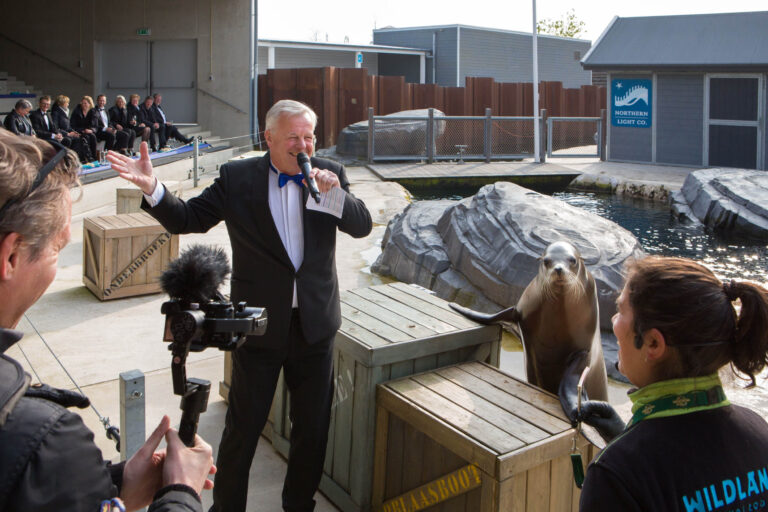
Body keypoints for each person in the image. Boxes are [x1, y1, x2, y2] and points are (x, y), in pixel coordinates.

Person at [107, 99, 373, 512]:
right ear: (268, 138)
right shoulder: (238, 177)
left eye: (309, 137)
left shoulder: (330, 174)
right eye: (293, 138)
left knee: (313, 430)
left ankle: (298, 505)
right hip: (259, 327)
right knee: (242, 430)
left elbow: (362, 226)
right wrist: (152, 189)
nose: (303, 146)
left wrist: (335, 196)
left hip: (316, 327)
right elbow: (188, 218)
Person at [0, 130, 217, 511]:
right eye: (57, 247)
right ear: (12, 257)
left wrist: (110, 487)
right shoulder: (44, 440)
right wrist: (181, 491)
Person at [578, 256, 768, 511]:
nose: (613, 321)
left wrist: (629, 452)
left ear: (653, 344)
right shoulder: (759, 432)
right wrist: (627, 438)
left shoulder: (615, 476)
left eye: (621, 311)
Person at [52, 94, 93, 163]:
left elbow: (68, 127)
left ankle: (85, 158)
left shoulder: (64, 112)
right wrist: (68, 134)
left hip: (68, 133)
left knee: (81, 137)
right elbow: (56, 127)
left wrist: (74, 132)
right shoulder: (56, 113)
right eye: (67, 103)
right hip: (62, 134)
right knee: (75, 140)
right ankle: (72, 160)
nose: (68, 104)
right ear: (62, 103)